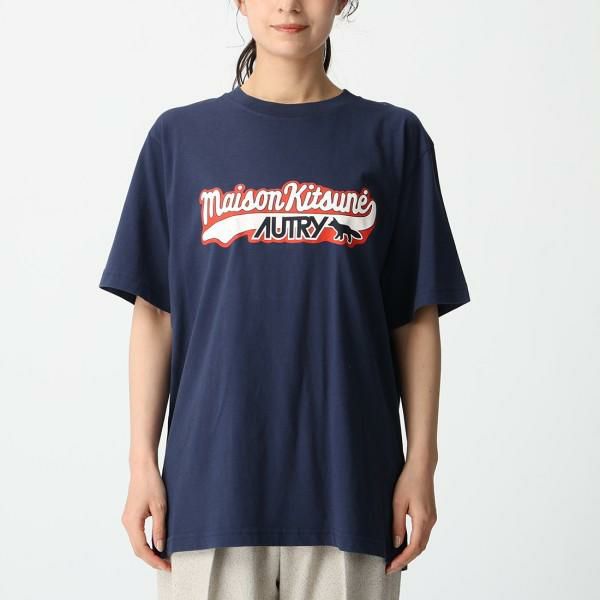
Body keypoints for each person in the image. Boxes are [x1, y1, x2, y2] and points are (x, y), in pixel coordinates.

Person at [98, 1, 471, 598]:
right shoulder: (180, 139)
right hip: (210, 486)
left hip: (352, 486)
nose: (289, 5)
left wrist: (421, 463)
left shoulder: (394, 138)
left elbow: (414, 318)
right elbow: (156, 313)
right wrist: (142, 461)